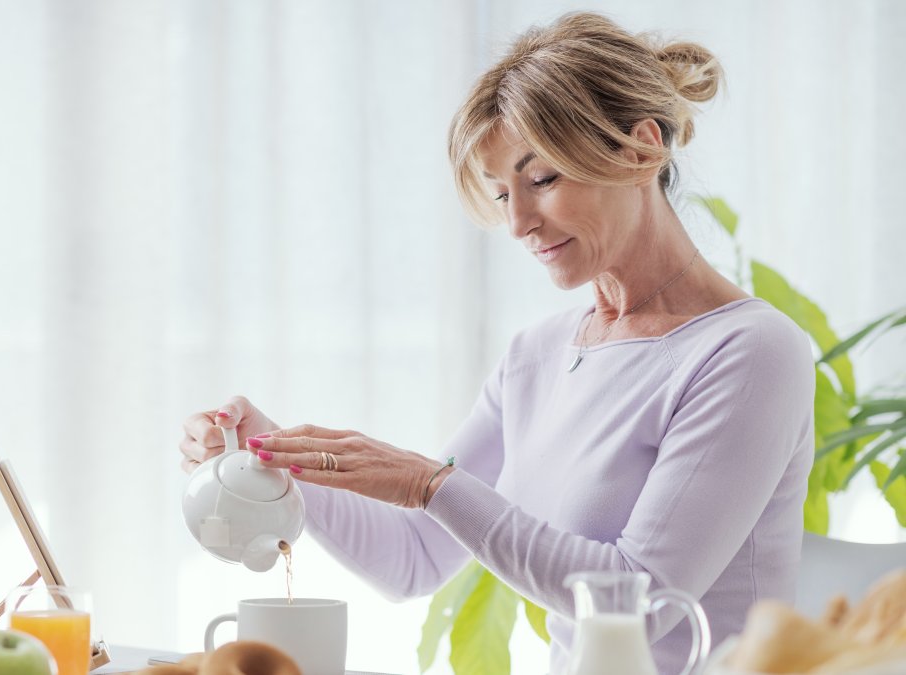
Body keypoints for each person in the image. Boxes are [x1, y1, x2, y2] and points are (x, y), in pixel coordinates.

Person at [180, 12, 814, 675]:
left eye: (540, 180)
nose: (516, 222)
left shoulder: (750, 352)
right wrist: (276, 457)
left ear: (641, 149)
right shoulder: (536, 356)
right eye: (502, 193)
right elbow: (413, 558)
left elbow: (644, 597)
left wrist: (430, 482)